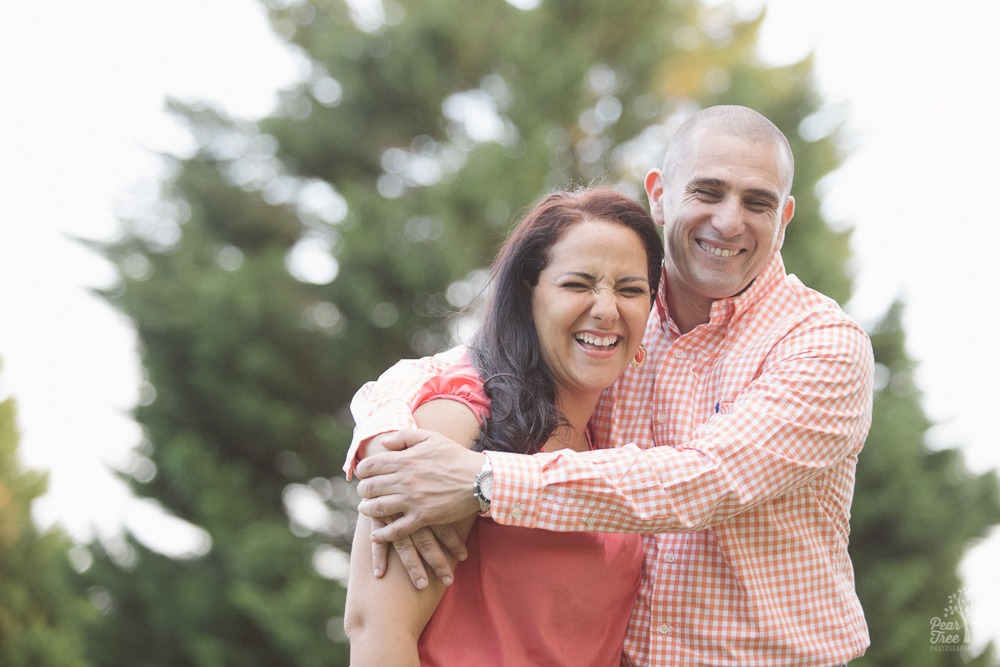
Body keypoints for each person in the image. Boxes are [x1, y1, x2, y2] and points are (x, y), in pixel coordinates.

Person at [348, 105, 874, 666]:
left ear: (785, 215)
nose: (728, 221)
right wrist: (385, 438)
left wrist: (482, 481)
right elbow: (450, 370)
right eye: (708, 191)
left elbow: (703, 479)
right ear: (660, 194)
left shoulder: (821, 344)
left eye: (757, 202)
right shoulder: (617, 326)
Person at [344, 187, 665, 666]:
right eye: (578, 284)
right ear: (527, 295)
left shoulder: (608, 433)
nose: (605, 309)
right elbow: (377, 630)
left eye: (630, 289)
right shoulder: (457, 422)